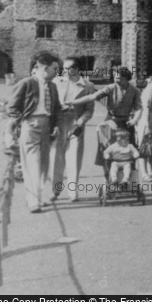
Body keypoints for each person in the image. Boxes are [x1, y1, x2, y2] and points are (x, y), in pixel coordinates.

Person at [7, 51, 62, 213]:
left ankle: (38, 196)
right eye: (54, 69)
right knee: (32, 163)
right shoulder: (27, 83)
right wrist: (22, 122)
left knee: (44, 163)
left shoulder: (52, 86)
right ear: (44, 68)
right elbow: (12, 107)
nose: (56, 73)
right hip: (30, 124)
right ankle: (33, 202)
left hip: (47, 127)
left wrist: (56, 125)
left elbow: (56, 108)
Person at [66, 67, 142, 168]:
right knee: (107, 151)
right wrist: (72, 102)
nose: (116, 80)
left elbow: (139, 108)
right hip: (110, 122)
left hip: (127, 124)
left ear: (126, 78)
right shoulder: (110, 88)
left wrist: (134, 120)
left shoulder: (135, 91)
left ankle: (128, 180)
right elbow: (92, 97)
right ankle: (109, 180)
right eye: (115, 77)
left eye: (119, 78)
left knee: (128, 153)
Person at [50, 57, 95, 202]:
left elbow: (89, 110)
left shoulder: (87, 86)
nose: (65, 71)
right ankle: (55, 191)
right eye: (64, 68)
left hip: (76, 125)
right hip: (59, 122)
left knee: (74, 157)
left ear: (76, 69)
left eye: (69, 68)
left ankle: (72, 192)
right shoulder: (57, 82)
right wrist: (53, 123)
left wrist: (81, 121)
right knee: (57, 157)